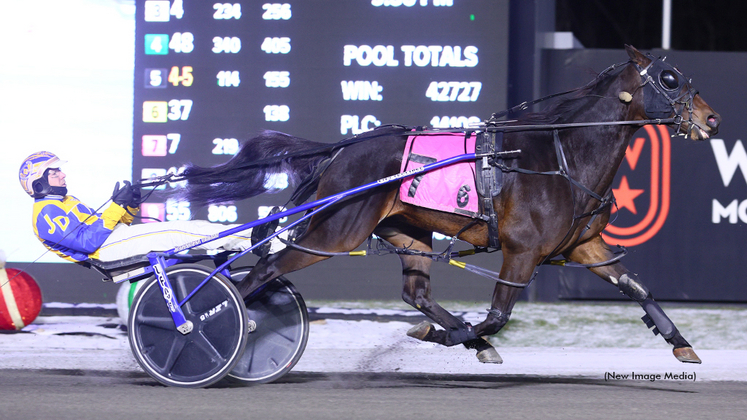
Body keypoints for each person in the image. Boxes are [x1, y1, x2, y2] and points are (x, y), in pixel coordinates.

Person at [20, 151, 264, 263]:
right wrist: (116, 205)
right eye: (55, 172)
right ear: (39, 183)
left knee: (188, 229)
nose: (63, 174)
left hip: (112, 243)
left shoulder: (65, 201)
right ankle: (261, 239)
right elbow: (88, 243)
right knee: (181, 231)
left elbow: (109, 228)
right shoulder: (45, 213)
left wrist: (129, 207)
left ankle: (253, 238)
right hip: (104, 252)